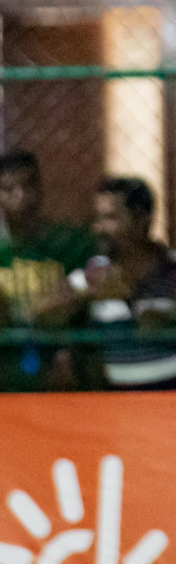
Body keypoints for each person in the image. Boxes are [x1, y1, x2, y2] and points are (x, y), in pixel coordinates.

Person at [38, 177, 176, 391]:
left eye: (110, 218)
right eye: (98, 218)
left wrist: (132, 299)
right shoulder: (93, 274)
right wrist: (88, 295)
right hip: (123, 404)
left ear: (141, 220)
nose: (99, 228)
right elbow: (43, 315)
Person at [0, 150, 95, 390]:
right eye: (8, 189)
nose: (20, 196)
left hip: (57, 354)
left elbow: (85, 288)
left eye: (28, 186)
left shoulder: (68, 243)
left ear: (40, 189)